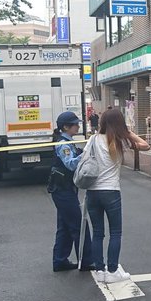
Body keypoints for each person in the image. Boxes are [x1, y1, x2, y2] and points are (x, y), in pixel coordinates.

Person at [84, 108, 149, 283]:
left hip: (92, 191)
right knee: (115, 233)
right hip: (111, 191)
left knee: (97, 233)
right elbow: (146, 145)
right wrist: (129, 133)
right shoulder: (121, 141)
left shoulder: (93, 140)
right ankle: (112, 271)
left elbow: (84, 159)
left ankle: (99, 270)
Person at [47, 110, 95, 272]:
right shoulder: (63, 144)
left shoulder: (67, 142)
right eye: (75, 124)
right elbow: (71, 164)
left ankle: (60, 260)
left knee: (65, 226)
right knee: (78, 224)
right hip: (63, 190)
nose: (77, 126)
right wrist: (85, 154)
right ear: (66, 127)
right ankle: (87, 260)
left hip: (63, 189)